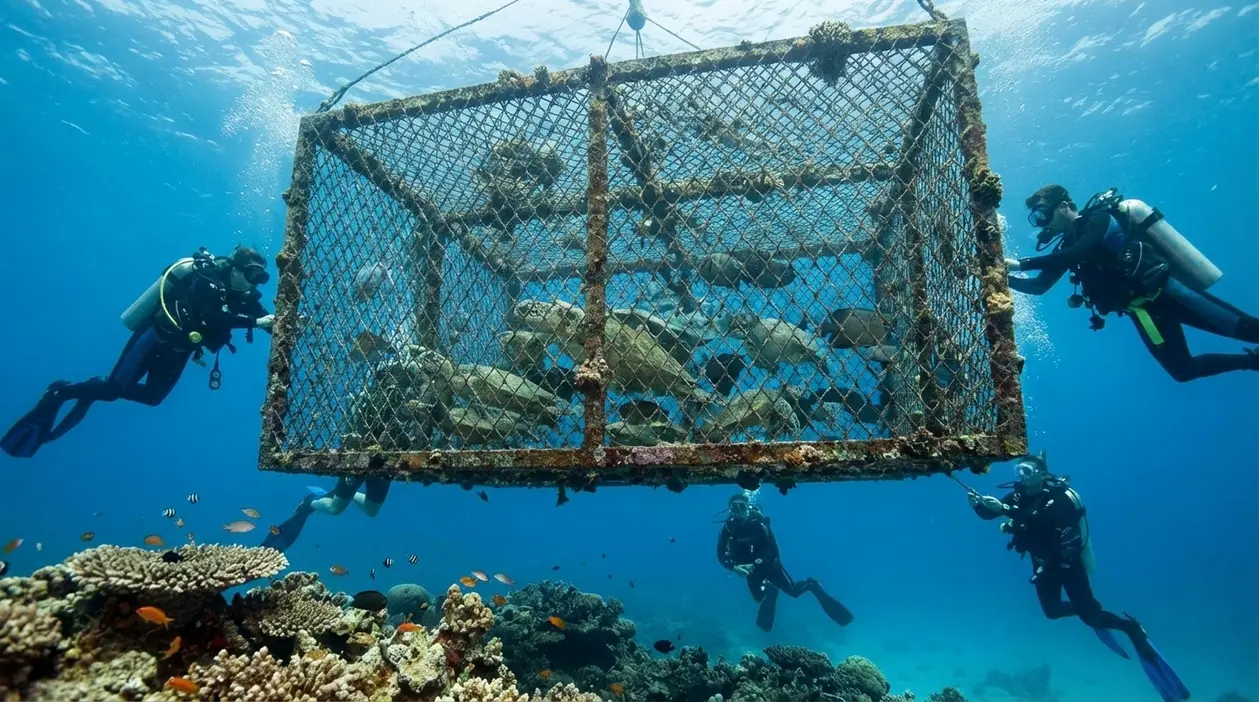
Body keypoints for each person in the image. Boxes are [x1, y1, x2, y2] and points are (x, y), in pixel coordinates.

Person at [1, 246, 274, 458]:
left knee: (153, 398)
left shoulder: (243, 295)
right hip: (153, 339)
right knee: (112, 391)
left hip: (179, 351)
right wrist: (256, 322)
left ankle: (97, 387)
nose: (255, 284)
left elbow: (267, 319)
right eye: (252, 276)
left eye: (260, 279)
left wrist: (277, 325)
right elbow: (213, 318)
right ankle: (63, 391)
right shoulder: (207, 280)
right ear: (235, 269)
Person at [966, 453, 1190, 702]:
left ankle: (1131, 628)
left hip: (1068, 565)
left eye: (1026, 471)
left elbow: (1043, 522)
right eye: (1017, 471)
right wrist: (978, 505)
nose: (1020, 476)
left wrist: (1006, 509)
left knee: (1091, 617)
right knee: (1051, 612)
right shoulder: (1018, 496)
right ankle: (1086, 608)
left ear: (1041, 474)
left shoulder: (1058, 499)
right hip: (1042, 565)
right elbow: (994, 513)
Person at [1007, 184, 1258, 382]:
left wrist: (1020, 264)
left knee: (1252, 330)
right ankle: (1253, 362)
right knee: (1183, 371)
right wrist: (1000, 277)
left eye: (1042, 214)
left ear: (1063, 206)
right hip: (1142, 311)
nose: (1041, 222)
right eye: (1036, 218)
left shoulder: (1099, 220)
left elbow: (1079, 252)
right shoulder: (1066, 246)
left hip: (1170, 293)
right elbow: (1039, 286)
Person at [715, 493, 854, 632]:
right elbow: (720, 555)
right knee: (758, 598)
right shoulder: (728, 529)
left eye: (742, 506)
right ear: (730, 510)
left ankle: (811, 585)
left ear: (748, 507)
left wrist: (755, 565)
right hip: (749, 571)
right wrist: (734, 568)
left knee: (794, 592)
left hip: (771, 566)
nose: (738, 511)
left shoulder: (758, 524)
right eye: (734, 507)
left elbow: (773, 552)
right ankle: (771, 590)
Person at [261, 477, 392, 552]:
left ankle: (339, 493)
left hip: (384, 462)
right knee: (334, 508)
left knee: (372, 510)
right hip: (358, 458)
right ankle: (309, 503)